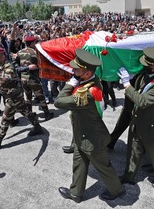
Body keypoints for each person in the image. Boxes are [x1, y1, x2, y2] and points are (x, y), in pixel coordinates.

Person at [54, 49, 125, 203]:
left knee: (104, 167)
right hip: (83, 134)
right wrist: (77, 79)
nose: (73, 71)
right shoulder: (92, 79)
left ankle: (117, 189)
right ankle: (76, 193)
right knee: (79, 163)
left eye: (77, 70)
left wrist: (70, 83)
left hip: (93, 139)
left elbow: (58, 101)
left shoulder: (86, 94)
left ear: (86, 73)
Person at [117, 47, 154, 188]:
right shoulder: (144, 75)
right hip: (137, 120)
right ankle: (129, 175)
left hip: (151, 125)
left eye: (148, 65)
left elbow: (142, 101)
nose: (144, 66)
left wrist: (127, 85)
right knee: (133, 149)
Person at [0, 48, 45, 151]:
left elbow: (8, 76)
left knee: (5, 118)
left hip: (13, 97)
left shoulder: (8, 66)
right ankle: (37, 126)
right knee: (25, 112)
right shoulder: (0, 67)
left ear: (3, 57)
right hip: (13, 96)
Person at [15, 35, 54, 120]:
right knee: (40, 96)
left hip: (23, 78)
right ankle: (46, 113)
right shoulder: (35, 52)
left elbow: (16, 64)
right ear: (32, 43)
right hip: (33, 78)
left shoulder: (20, 52)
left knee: (28, 97)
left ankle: (30, 114)